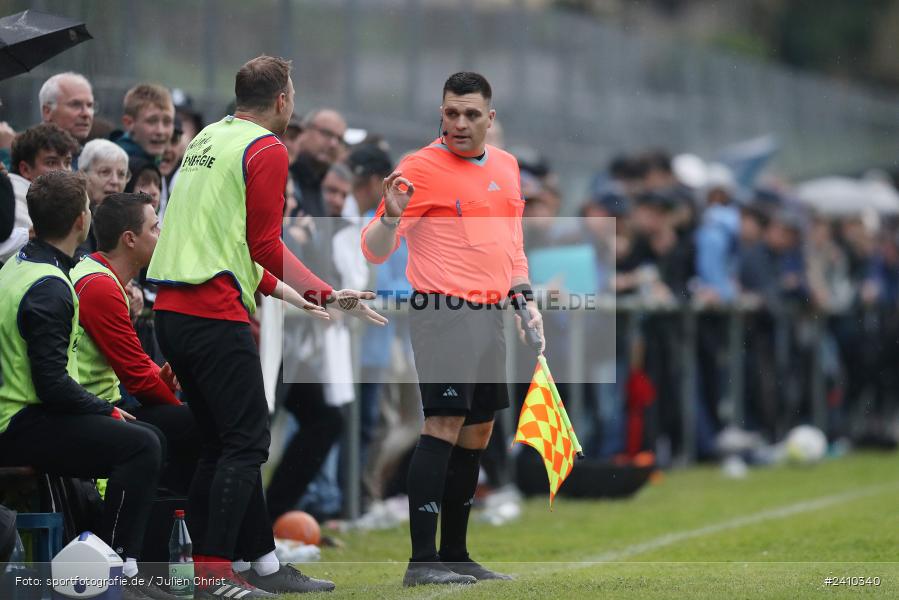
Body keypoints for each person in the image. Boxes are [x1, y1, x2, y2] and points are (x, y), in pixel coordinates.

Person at [147, 55, 385, 598]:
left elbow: (224, 243)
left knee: (221, 443)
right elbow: (264, 245)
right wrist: (322, 289)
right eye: (293, 94)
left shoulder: (207, 138)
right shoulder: (267, 148)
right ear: (282, 100)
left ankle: (260, 565)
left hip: (172, 312)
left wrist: (301, 295)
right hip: (212, 313)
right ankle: (214, 575)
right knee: (246, 442)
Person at [361, 71, 543, 586]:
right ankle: (422, 562)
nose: (459, 123)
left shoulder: (506, 166)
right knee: (442, 424)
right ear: (441, 113)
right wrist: (390, 218)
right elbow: (373, 249)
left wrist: (524, 300)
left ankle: (457, 556)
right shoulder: (418, 168)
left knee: (478, 430)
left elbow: (512, 246)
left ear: (490, 117)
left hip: (491, 315)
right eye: (451, 113)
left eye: (470, 114)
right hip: (441, 311)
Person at [0, 171, 175, 600]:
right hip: (19, 424)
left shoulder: (19, 266)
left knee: (147, 437)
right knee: (142, 445)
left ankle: (126, 564)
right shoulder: (50, 287)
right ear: (82, 220)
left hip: (24, 415)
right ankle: (111, 572)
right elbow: (52, 385)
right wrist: (106, 409)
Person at [71, 192, 198, 495]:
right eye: (154, 227)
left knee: (194, 420)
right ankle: (170, 520)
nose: (161, 234)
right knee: (198, 424)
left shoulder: (100, 274)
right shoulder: (100, 286)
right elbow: (138, 378)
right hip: (90, 411)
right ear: (130, 239)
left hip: (100, 406)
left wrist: (160, 376)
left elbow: (137, 362)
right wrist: (176, 403)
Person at [2, 124, 79, 262]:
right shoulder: (12, 200)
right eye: (51, 163)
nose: (64, 171)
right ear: (25, 169)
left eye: (67, 163)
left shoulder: (54, 201)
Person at [77, 139, 130, 256]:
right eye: (105, 172)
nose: (115, 181)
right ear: (82, 175)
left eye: (121, 174)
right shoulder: (72, 218)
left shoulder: (131, 221)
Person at [114, 84, 175, 166]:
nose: (160, 131)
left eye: (167, 122)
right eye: (152, 121)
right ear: (129, 123)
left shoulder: (157, 163)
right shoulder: (118, 165)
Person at [39, 72, 95, 144]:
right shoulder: (28, 149)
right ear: (47, 111)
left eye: (89, 105)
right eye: (76, 105)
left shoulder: (96, 149)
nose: (86, 114)